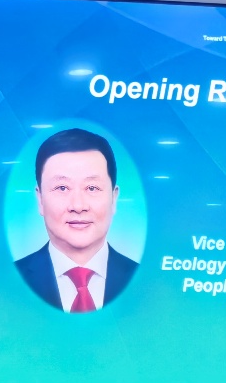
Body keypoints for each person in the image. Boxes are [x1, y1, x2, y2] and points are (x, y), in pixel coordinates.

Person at [14, 128, 138, 312]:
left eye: (92, 188)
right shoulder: (9, 280)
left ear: (114, 198)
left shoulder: (145, 280)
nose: (78, 206)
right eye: (62, 188)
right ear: (40, 199)